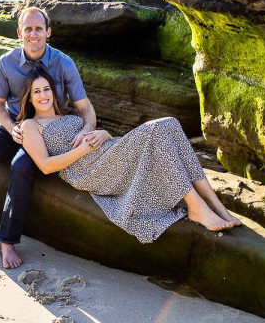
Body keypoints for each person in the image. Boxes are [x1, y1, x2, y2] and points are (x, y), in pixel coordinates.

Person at [17, 68, 242, 243]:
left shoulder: (65, 115)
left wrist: (103, 134)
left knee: (169, 124)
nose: (43, 95)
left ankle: (216, 205)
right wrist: (81, 150)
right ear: (28, 98)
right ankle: (196, 208)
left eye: (46, 89)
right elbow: (45, 165)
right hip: (89, 169)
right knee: (157, 129)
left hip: (109, 151)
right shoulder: (30, 125)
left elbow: (97, 135)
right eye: (37, 91)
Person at [0, 7, 97, 268]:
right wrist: (11, 128)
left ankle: (8, 241)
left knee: (20, 167)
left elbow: (85, 107)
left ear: (48, 32)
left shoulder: (63, 63)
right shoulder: (6, 62)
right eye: (28, 29)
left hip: (45, 131)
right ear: (20, 33)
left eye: (39, 29)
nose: (34, 34)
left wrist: (86, 129)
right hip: (14, 124)